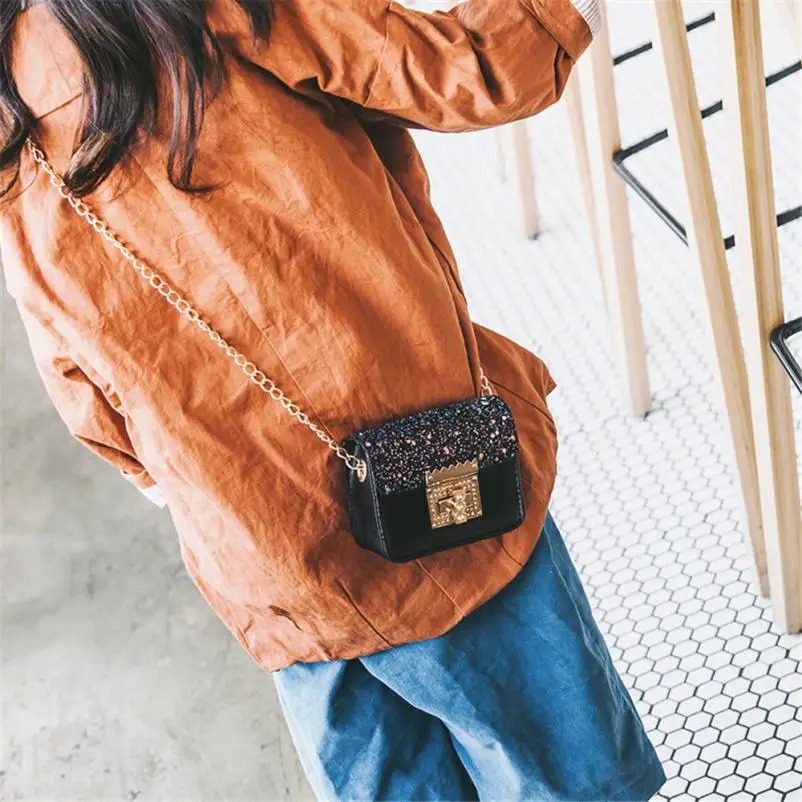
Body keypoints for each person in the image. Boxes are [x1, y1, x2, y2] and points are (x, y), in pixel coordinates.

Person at [1, 0, 665, 798]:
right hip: (434, 484)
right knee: (560, 773)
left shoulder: (11, 118)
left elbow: (70, 365)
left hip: (272, 564)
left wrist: (179, 478)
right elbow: (464, 67)